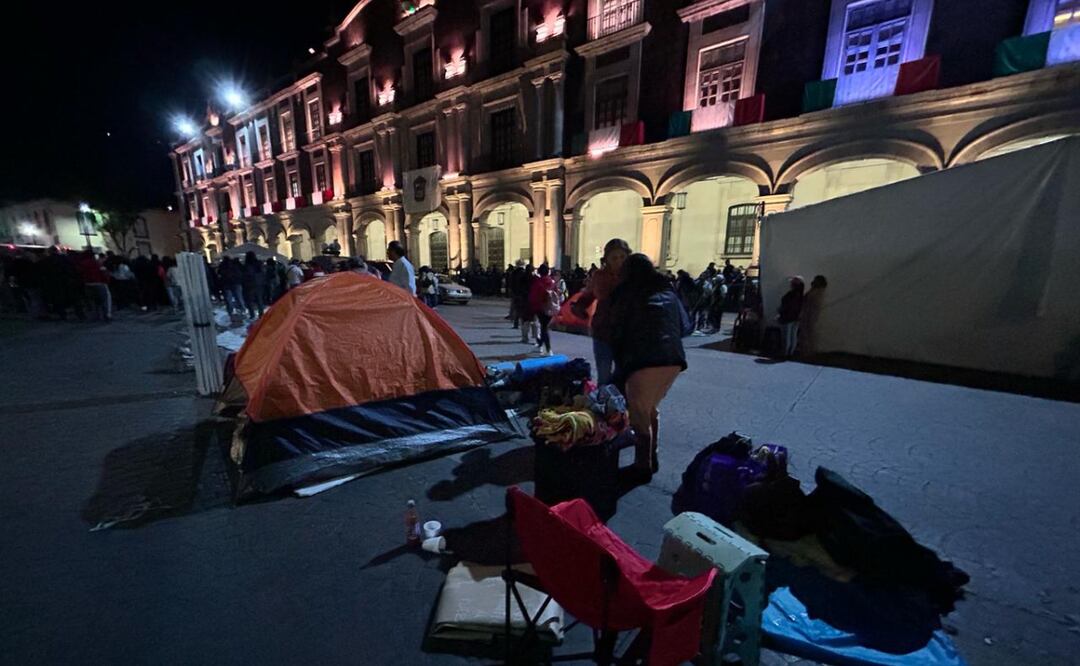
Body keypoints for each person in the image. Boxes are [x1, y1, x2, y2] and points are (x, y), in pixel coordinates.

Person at [609, 253, 692, 480]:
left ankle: (642, 466)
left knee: (639, 413)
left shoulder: (627, 292)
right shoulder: (667, 290)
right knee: (650, 407)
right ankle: (652, 456)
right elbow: (686, 326)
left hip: (643, 359)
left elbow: (616, 328)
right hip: (673, 359)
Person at [573, 239, 630, 384]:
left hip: (626, 334)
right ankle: (603, 397)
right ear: (607, 259)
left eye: (622, 257)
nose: (619, 261)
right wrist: (579, 307)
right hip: (603, 331)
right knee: (604, 376)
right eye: (614, 258)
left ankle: (619, 398)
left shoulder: (633, 276)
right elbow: (589, 294)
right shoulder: (599, 276)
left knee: (623, 376)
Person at [528, 264, 560, 356]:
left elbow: (533, 296)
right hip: (551, 307)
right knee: (544, 326)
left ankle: (548, 349)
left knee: (544, 327)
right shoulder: (552, 282)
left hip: (540, 307)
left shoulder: (538, 282)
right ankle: (540, 345)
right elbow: (557, 293)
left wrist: (532, 307)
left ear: (539, 272)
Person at [75, 251, 112, 321]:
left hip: (88, 284)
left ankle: (97, 315)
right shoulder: (97, 263)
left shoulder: (82, 264)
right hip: (99, 283)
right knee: (105, 300)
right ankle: (107, 315)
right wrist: (106, 280)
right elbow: (103, 272)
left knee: (94, 301)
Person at [799, 275, 828, 356]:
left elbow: (810, 299)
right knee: (806, 331)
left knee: (809, 332)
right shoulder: (815, 290)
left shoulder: (819, 292)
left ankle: (809, 351)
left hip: (812, 313)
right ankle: (806, 350)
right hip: (808, 313)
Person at [778, 276, 805, 359]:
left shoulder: (791, 295)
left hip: (789, 316)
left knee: (788, 335)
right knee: (794, 335)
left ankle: (786, 352)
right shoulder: (800, 295)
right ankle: (791, 352)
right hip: (796, 317)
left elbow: (786, 305)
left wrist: (781, 312)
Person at [242, 251, 266, 319]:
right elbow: (263, 273)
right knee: (259, 300)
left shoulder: (246, 265)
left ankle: (252, 314)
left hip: (249, 285)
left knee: (249, 301)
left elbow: (245, 275)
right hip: (259, 284)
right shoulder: (259, 263)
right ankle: (261, 314)